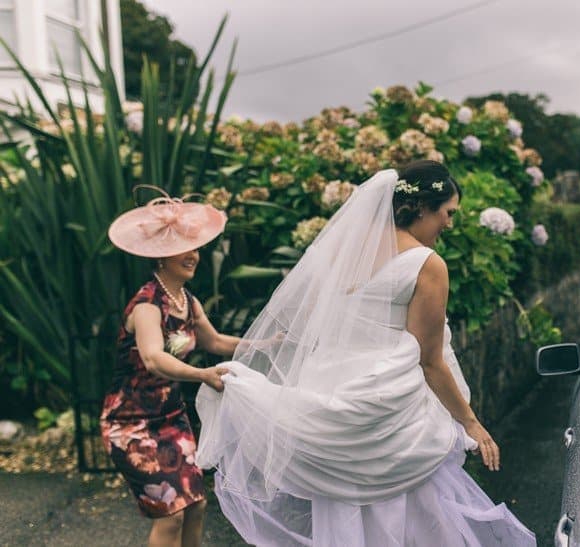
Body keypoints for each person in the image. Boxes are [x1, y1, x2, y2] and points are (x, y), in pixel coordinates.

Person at [195, 160, 536, 546]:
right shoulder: (428, 264)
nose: (449, 224)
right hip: (390, 406)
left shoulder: (345, 251)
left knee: (342, 507)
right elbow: (430, 361)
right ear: (423, 207)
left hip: (330, 386)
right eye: (448, 213)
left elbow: (316, 319)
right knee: (416, 513)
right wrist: (471, 422)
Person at [100, 188, 242, 547]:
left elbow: (217, 342)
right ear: (162, 257)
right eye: (185, 249)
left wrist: (271, 344)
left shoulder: (186, 301)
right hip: (131, 424)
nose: (194, 255)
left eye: (195, 247)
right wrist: (201, 375)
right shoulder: (147, 304)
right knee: (171, 513)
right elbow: (153, 357)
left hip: (169, 418)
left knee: (195, 505)